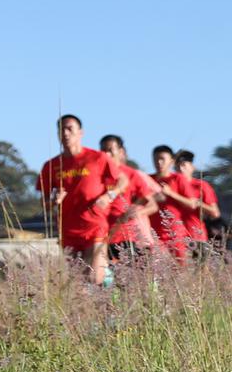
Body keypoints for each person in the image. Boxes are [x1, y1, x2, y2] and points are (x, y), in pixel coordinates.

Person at [36, 115, 127, 285]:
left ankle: (107, 279)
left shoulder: (97, 158)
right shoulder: (51, 165)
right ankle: (109, 289)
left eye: (70, 128)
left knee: (94, 277)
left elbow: (123, 180)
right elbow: (44, 203)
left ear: (81, 132)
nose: (65, 133)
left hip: (94, 226)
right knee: (79, 281)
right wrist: (53, 201)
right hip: (68, 230)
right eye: (61, 129)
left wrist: (109, 196)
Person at [99, 135, 159, 261]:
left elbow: (152, 205)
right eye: (103, 150)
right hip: (103, 235)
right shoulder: (96, 174)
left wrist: (135, 212)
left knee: (135, 276)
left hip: (129, 236)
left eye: (110, 150)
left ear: (120, 152)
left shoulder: (131, 174)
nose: (106, 154)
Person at [149, 146, 194, 262]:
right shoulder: (148, 179)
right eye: (156, 159)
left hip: (176, 233)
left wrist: (171, 194)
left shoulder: (178, 179)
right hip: (153, 234)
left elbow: (192, 204)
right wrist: (152, 198)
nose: (159, 162)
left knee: (181, 269)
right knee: (157, 270)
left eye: (162, 159)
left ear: (171, 161)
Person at [174, 150, 221, 255]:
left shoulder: (201, 186)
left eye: (184, 165)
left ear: (192, 167)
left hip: (196, 236)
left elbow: (215, 212)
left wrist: (199, 204)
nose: (181, 169)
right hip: (175, 237)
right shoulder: (170, 187)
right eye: (177, 167)